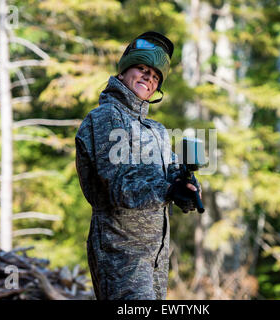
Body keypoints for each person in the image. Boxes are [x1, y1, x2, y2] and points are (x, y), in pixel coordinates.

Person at [75, 31, 201, 300]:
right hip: (119, 255)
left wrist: (185, 186)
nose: (149, 78)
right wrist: (168, 191)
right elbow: (120, 186)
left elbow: (170, 174)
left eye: (155, 76)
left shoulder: (155, 129)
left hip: (154, 259)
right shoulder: (106, 117)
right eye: (142, 69)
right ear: (122, 73)